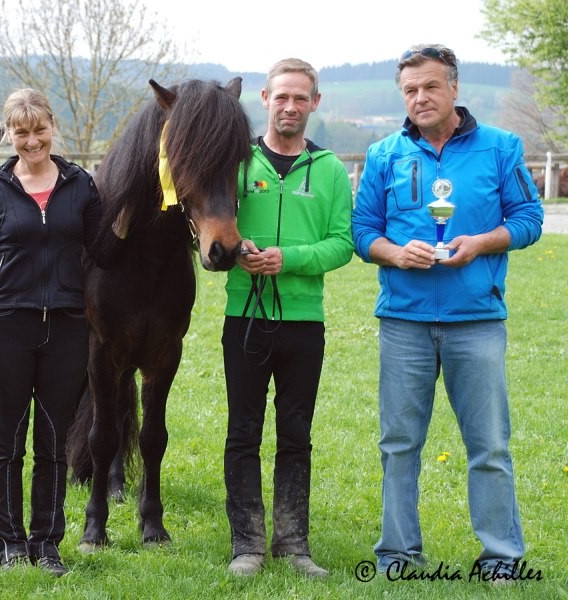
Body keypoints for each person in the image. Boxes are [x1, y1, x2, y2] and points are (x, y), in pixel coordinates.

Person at [351, 44, 543, 580]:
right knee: (399, 443)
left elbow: (529, 217)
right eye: (410, 90)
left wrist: (482, 242)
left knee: (489, 445)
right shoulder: (385, 153)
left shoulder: (501, 148)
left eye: (431, 86)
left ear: (454, 88)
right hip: (403, 322)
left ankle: (501, 557)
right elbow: (362, 230)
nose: (420, 97)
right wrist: (394, 253)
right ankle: (397, 554)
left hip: (477, 320)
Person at [0, 88, 102, 576]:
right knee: (8, 440)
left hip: (66, 330)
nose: (32, 140)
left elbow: (105, 255)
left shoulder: (82, 186)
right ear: (9, 133)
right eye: (21, 132)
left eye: (39, 129)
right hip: (7, 330)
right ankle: (9, 541)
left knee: (54, 442)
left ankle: (47, 542)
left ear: (52, 127)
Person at [221, 58, 354, 577]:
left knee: (296, 432)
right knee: (243, 431)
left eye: (301, 98)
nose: (291, 106)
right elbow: (209, 224)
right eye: (282, 97)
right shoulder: (237, 164)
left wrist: (288, 259)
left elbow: (343, 243)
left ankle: (294, 545)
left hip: (304, 321)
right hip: (245, 315)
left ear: (314, 103)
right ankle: (247, 546)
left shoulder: (330, 171)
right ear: (265, 99)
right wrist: (238, 252)